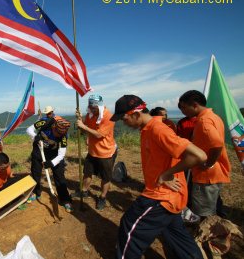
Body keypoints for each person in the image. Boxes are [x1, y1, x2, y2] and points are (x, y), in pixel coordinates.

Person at [111, 94, 206, 259]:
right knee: (176, 236)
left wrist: (167, 174)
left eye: (124, 119)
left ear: (135, 114)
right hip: (169, 195)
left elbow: (199, 155)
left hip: (160, 196)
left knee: (130, 228)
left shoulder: (158, 130)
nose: (123, 123)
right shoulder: (148, 128)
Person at [176, 90, 231, 219]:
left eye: (184, 107)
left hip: (207, 175)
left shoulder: (204, 122)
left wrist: (208, 163)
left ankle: (208, 235)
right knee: (210, 206)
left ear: (195, 105)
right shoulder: (214, 117)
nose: (183, 111)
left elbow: (217, 144)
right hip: (212, 173)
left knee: (204, 212)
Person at [74, 94, 117, 210]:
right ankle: (84, 191)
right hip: (92, 151)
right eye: (90, 106)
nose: (91, 109)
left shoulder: (108, 116)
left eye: (93, 107)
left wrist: (83, 126)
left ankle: (102, 197)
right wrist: (80, 119)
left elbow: (98, 134)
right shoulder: (90, 113)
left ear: (99, 106)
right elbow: (86, 126)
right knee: (87, 172)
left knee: (105, 177)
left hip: (106, 152)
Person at [26, 115, 73, 212]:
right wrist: (35, 137)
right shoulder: (45, 123)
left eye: (61, 135)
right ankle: (35, 192)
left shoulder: (63, 136)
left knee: (60, 175)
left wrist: (52, 163)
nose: (58, 136)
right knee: (36, 172)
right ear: (53, 127)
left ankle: (65, 199)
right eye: (57, 133)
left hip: (53, 153)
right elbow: (29, 129)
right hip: (39, 149)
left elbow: (61, 154)